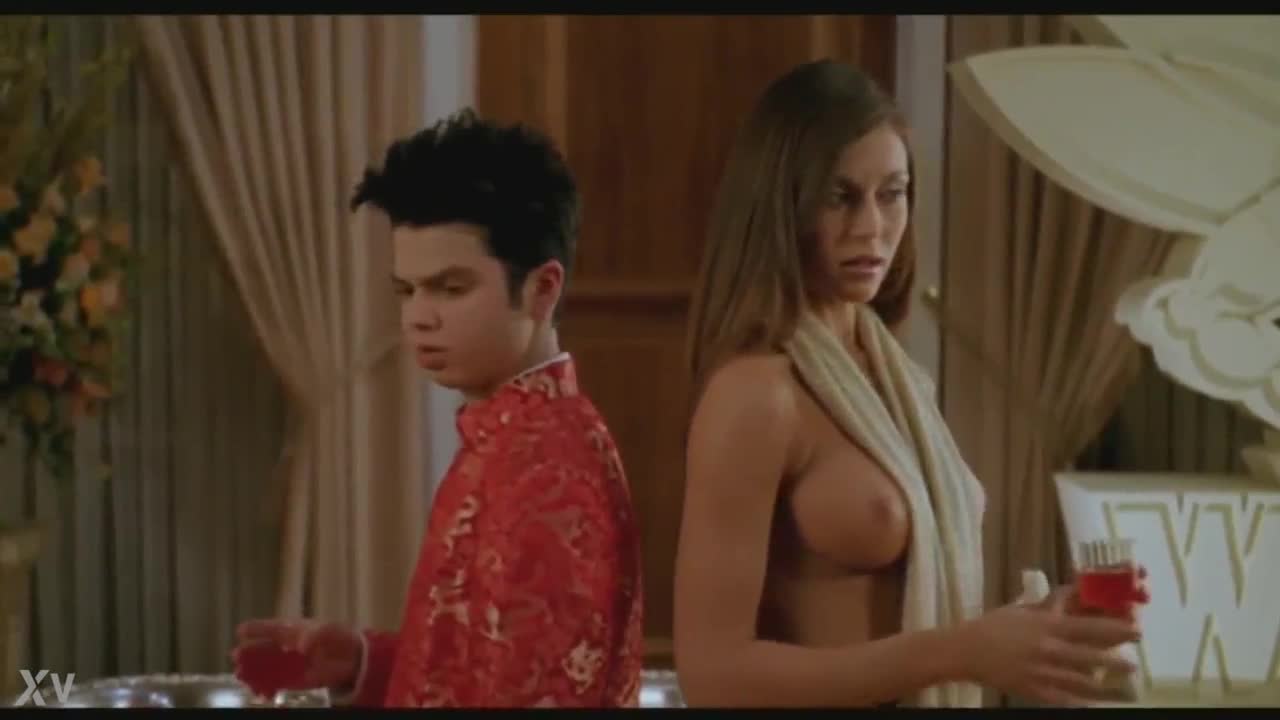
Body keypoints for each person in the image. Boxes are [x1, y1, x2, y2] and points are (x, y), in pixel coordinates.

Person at [673, 60, 1142, 708]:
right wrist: (962, 651)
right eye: (841, 198)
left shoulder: (897, 380)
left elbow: (916, 613)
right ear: (785, 205)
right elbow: (711, 674)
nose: (872, 228)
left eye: (892, 194)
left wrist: (1036, 633)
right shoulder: (756, 393)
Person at [230, 109, 644, 708]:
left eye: (451, 288)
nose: (418, 318)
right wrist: (362, 662)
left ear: (542, 289)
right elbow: (474, 671)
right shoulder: (513, 439)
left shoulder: (547, 471)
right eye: (406, 290)